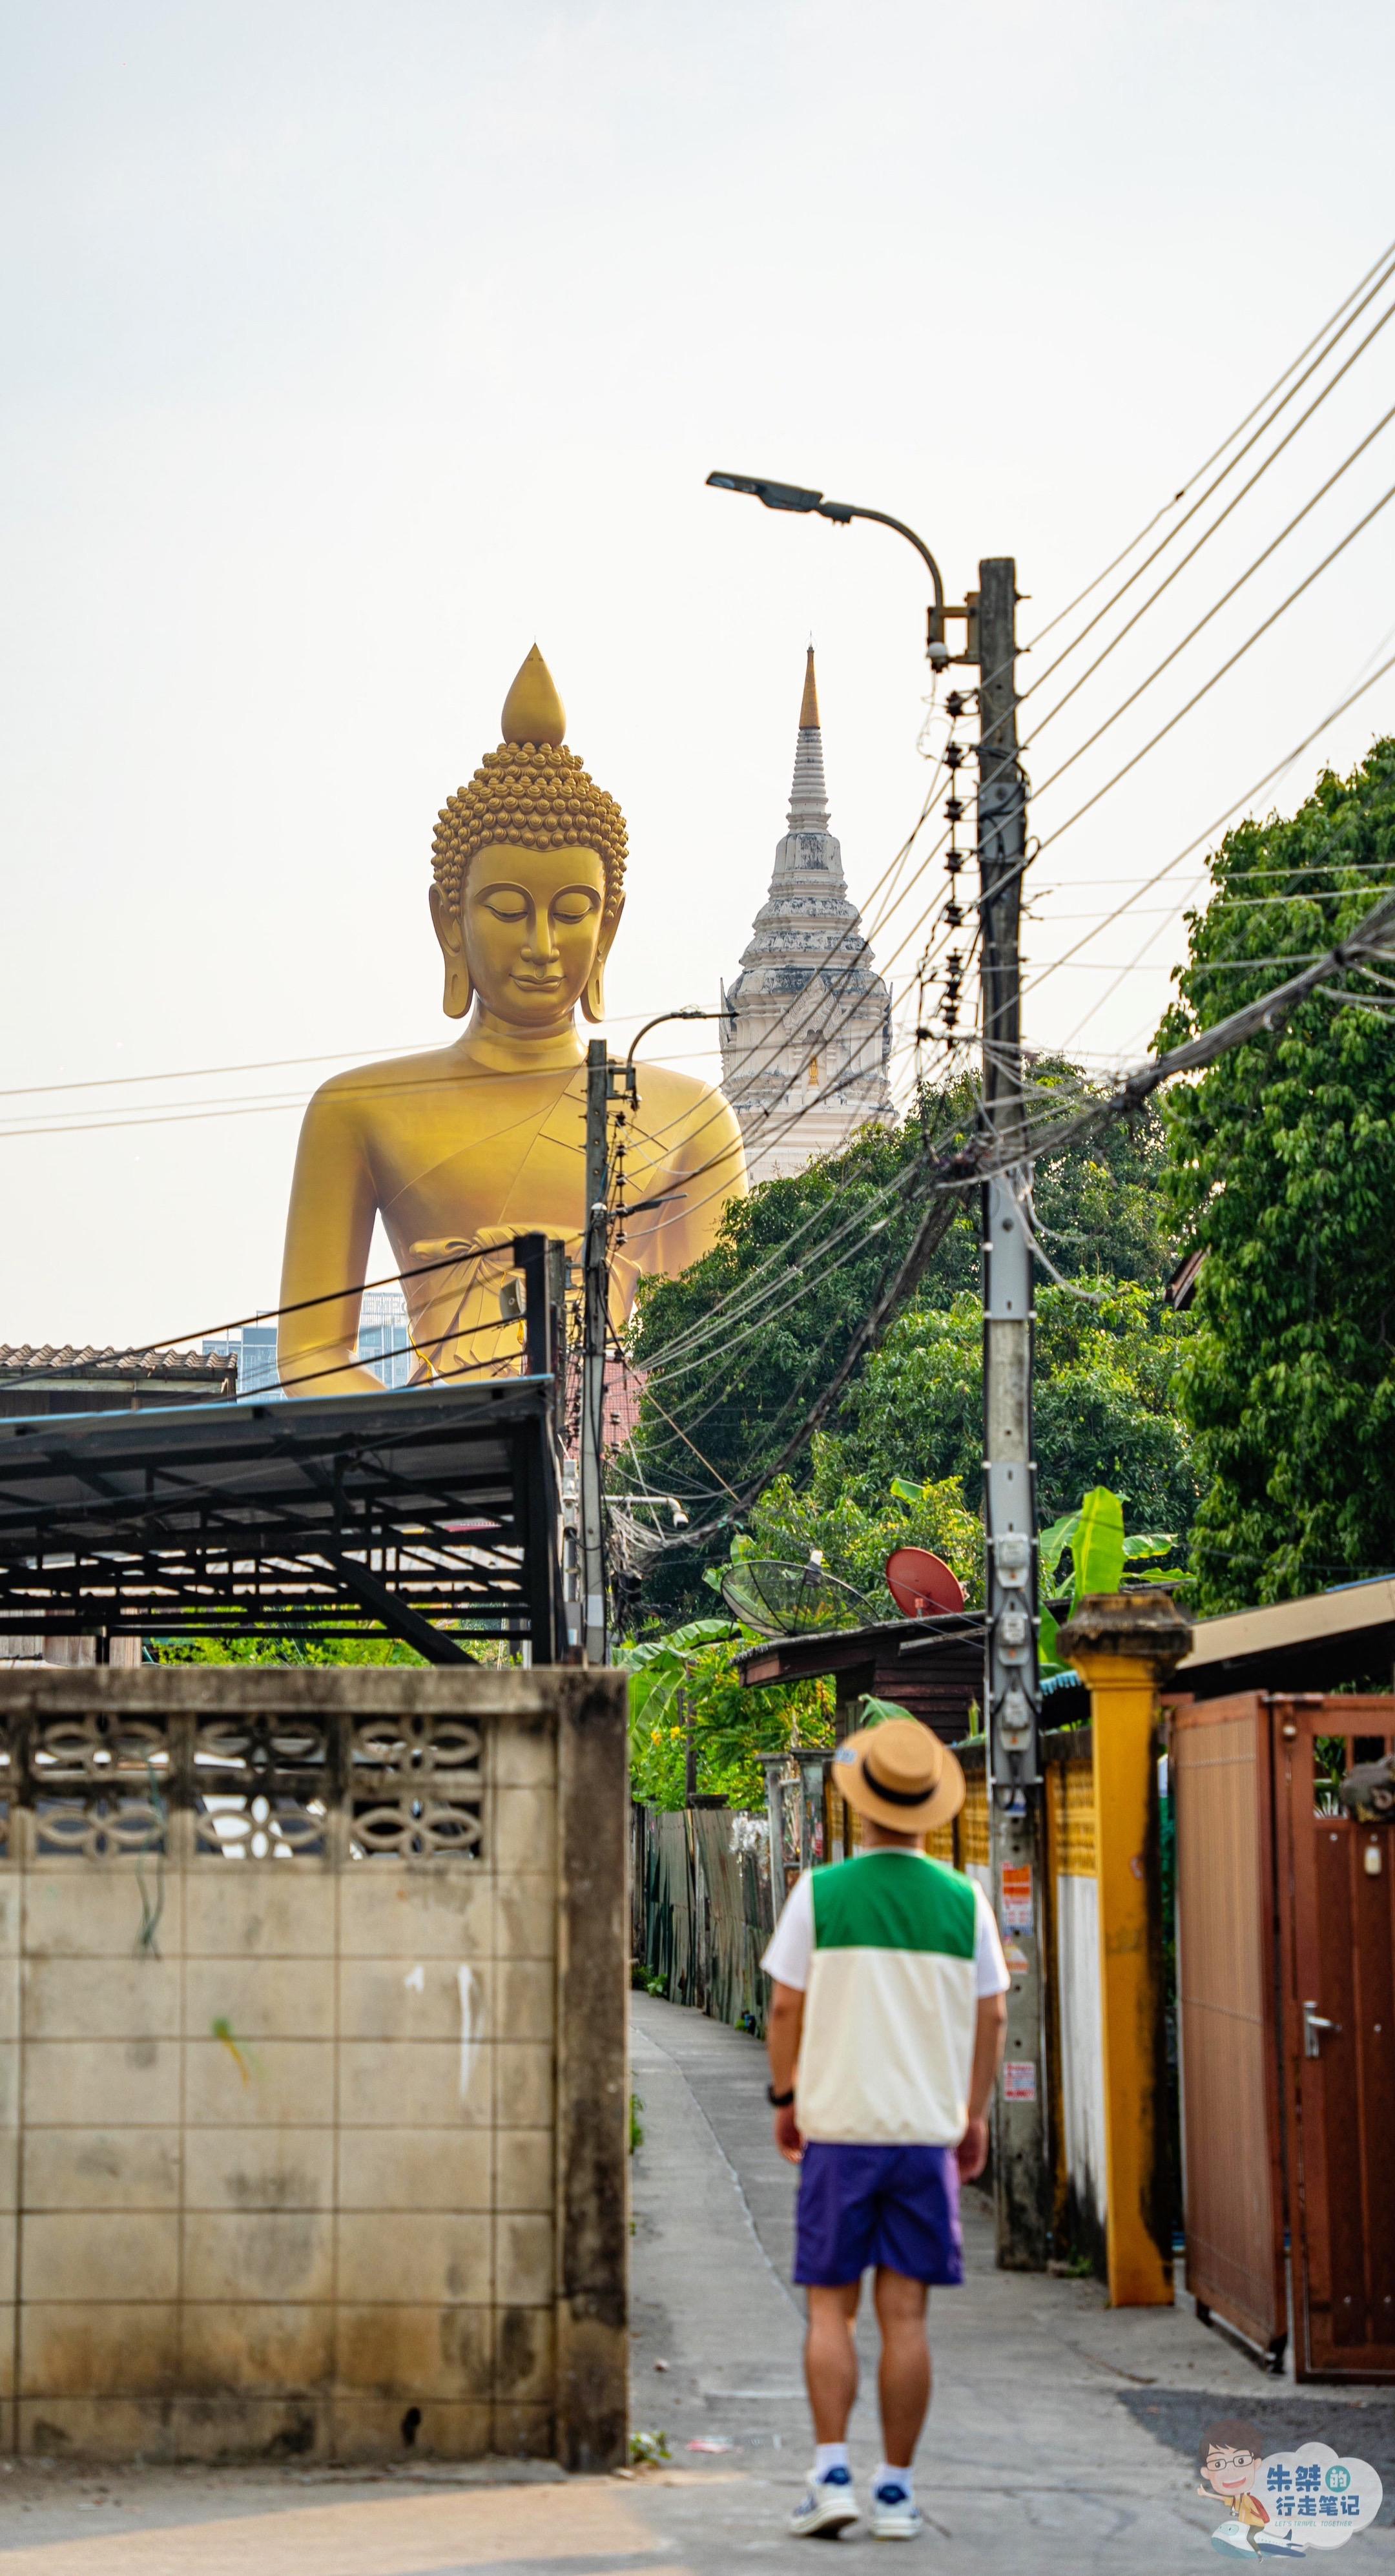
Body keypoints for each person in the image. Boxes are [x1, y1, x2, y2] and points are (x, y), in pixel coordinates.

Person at [761, 1714, 1009, 2542]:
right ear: (928, 1807)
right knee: (907, 2318)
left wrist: (786, 2096)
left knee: (830, 2312)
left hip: (839, 2134)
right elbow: (994, 2012)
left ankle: (831, 2474)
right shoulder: (962, 1901)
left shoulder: (820, 1895)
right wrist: (970, 2114)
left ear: (859, 1804)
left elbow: (787, 2004)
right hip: (922, 2140)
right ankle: (897, 2493)